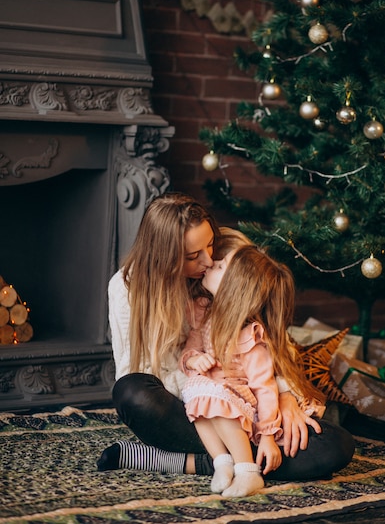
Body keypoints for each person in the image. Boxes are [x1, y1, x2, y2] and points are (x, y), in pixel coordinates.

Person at [97, 192, 355, 480]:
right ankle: (231, 458)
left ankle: (183, 462)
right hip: (189, 409)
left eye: (210, 245)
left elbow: (272, 339)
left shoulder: (229, 251)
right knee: (132, 393)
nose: (209, 260)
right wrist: (211, 387)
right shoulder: (126, 289)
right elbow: (135, 373)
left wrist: (284, 396)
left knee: (336, 445)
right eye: (193, 256)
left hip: (254, 404)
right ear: (163, 257)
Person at [179, 245, 325, 497]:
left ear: (234, 289)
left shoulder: (250, 336)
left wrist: (268, 435)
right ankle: (221, 462)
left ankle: (248, 471)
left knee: (214, 399)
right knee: (196, 395)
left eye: (222, 265)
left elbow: (265, 387)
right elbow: (189, 351)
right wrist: (194, 361)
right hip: (209, 391)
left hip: (240, 403)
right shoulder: (203, 314)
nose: (212, 263)